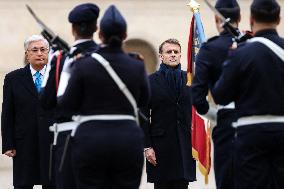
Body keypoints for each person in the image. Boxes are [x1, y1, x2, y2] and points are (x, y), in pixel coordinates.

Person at [58, 5, 150, 189]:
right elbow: (145, 101)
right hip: (127, 140)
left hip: (91, 140)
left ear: (100, 35)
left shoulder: (83, 65)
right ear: (125, 35)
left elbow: (66, 105)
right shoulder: (137, 65)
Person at [211, 0, 284, 188]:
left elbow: (221, 95)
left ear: (251, 19)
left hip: (251, 132)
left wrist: (231, 58)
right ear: (279, 19)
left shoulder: (241, 53)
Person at [39, 3, 100, 189]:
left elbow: (46, 101)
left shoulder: (59, 59)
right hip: (100, 137)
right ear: (96, 28)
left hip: (68, 140)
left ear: (73, 29)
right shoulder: (106, 57)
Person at [191, 0, 241, 188]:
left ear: (215, 19)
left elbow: (197, 97)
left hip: (226, 122)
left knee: (226, 180)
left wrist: (217, 115)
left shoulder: (210, 49)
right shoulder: (253, 43)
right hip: (255, 123)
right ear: (241, 18)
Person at [141, 39, 196, 189]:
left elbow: (199, 113)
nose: (173, 55)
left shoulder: (190, 80)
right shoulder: (150, 81)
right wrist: (147, 147)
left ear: (180, 55)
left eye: (176, 52)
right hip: (160, 149)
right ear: (161, 56)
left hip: (185, 146)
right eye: (168, 52)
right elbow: (143, 116)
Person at [1, 35, 55, 189]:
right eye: (35, 50)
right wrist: (7, 143)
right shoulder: (13, 78)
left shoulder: (56, 76)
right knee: (23, 183)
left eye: (43, 50)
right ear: (27, 54)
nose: (40, 53)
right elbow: (7, 113)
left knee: (52, 183)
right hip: (23, 143)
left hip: (51, 142)